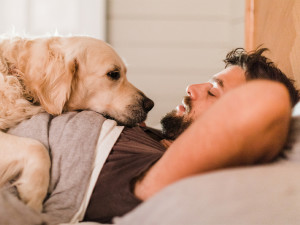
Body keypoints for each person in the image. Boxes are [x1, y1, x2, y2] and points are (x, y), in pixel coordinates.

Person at [5, 47, 300, 225]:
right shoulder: (151, 136)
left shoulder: (162, 171)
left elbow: (266, 102)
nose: (191, 87)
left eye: (212, 90)